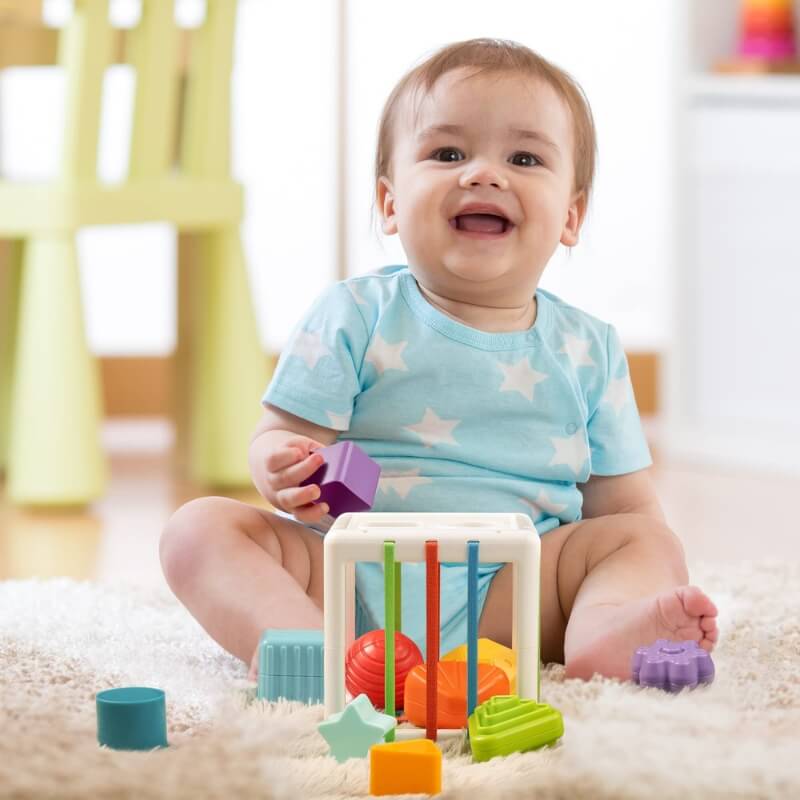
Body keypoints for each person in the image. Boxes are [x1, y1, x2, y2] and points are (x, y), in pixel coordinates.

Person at [160, 38, 718, 683]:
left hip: (516, 591)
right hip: (348, 579)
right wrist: (282, 467)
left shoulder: (587, 347)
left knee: (645, 540)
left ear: (571, 215)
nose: (483, 174)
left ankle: (603, 631)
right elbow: (282, 439)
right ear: (391, 203)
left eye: (525, 157)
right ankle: (303, 643)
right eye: (448, 153)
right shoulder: (354, 313)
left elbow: (623, 506)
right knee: (198, 529)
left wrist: (643, 567)